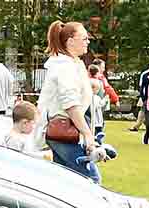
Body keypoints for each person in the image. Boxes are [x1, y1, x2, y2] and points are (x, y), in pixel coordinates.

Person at [36, 20, 96, 179]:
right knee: (90, 178)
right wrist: (87, 134)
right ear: (70, 42)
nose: (88, 42)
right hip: (64, 132)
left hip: (64, 131)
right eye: (84, 38)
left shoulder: (71, 64)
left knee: (63, 179)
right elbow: (70, 104)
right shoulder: (65, 66)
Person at [130, 60, 149, 132]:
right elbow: (141, 86)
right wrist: (142, 97)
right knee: (143, 111)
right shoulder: (145, 74)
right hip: (146, 96)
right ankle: (137, 126)